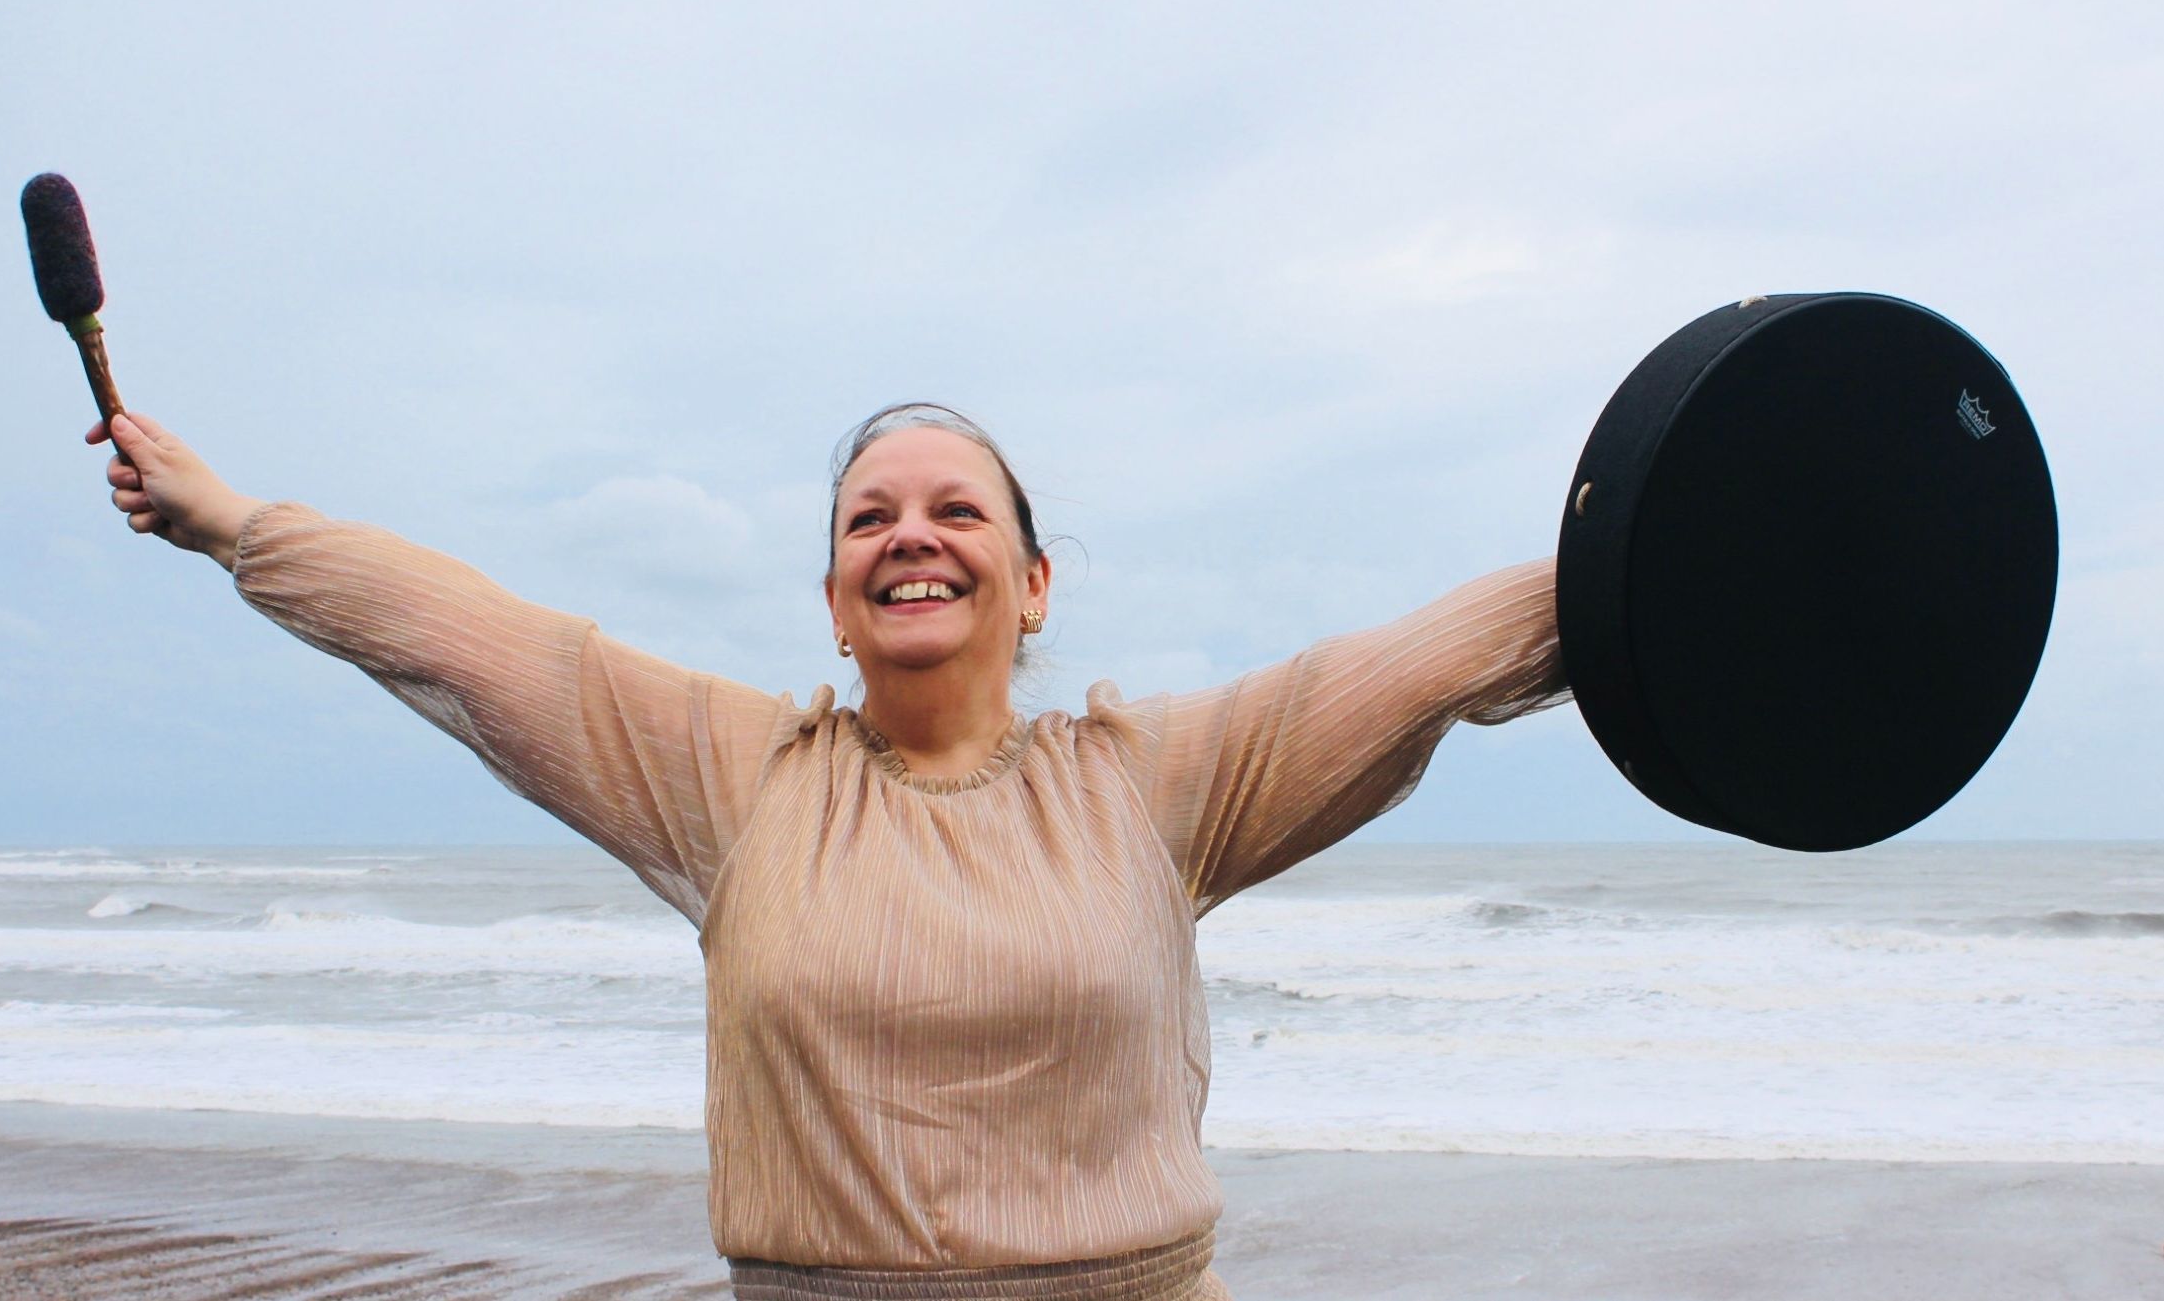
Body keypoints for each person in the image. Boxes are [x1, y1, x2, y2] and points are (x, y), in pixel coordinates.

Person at [87, 402, 1570, 1300]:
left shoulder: (1150, 782)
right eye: (871, 518)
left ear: (1034, 584)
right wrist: (237, 524)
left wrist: (1646, 553)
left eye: (954, 510)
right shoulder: (736, 779)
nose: (910, 535)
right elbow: (481, 641)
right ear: (834, 598)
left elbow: (1421, 664)